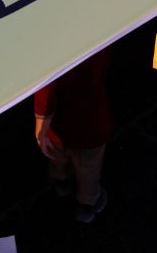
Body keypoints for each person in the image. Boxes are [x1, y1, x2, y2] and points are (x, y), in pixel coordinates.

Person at [34, 47, 112, 223]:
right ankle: (87, 204)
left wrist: (41, 131)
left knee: (57, 157)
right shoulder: (100, 45)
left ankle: (61, 184)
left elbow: (44, 98)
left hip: (59, 127)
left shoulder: (53, 58)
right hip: (92, 125)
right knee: (88, 169)